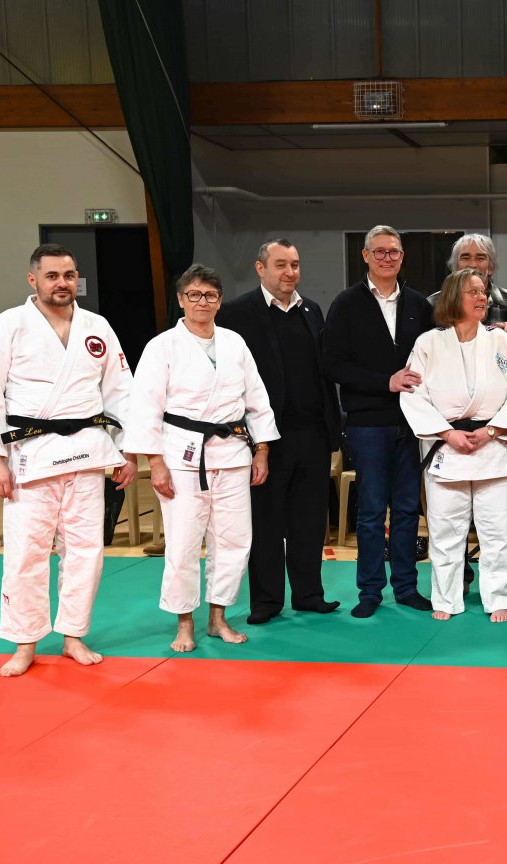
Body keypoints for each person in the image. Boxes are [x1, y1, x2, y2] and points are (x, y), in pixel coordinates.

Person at [0, 243, 137, 677]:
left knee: (86, 552)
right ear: (33, 280)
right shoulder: (7, 326)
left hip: (88, 453)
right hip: (31, 456)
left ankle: (73, 635)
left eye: (69, 275)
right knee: (26, 554)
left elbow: (121, 391)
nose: (62, 283)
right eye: (53, 276)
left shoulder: (97, 327)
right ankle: (26, 642)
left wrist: (127, 449)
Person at [125, 265, 279, 652]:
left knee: (234, 541)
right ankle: (184, 622)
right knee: (182, 544)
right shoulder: (162, 347)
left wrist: (262, 449)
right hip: (181, 456)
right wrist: (155, 463)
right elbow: (145, 408)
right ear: (181, 299)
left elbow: (257, 399)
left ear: (220, 301)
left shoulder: (234, 343)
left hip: (232, 453)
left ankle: (218, 617)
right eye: (193, 294)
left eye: (210, 295)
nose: (202, 302)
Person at [216, 239, 342, 625]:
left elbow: (323, 374)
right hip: (264, 439)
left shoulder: (312, 310)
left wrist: (332, 430)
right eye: (281, 265)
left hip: (313, 433)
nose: (290, 272)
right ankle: (266, 601)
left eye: (295, 265)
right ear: (260, 268)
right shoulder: (236, 313)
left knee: (310, 519)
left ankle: (309, 594)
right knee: (266, 520)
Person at [401, 268, 507, 622]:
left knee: (500, 529)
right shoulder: (428, 344)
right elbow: (412, 393)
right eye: (473, 291)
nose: (482, 297)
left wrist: (493, 430)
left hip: (494, 444)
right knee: (445, 530)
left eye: (484, 291)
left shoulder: (503, 341)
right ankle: (446, 598)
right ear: (453, 297)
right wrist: (447, 434)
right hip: (447, 446)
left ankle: (501, 596)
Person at [322, 225, 435, 618]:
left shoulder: (419, 304)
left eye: (394, 252)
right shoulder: (346, 304)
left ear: (403, 257)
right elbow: (332, 364)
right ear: (366, 256)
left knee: (407, 510)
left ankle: (406, 587)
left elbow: (439, 352)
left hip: (413, 422)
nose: (388, 258)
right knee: (370, 511)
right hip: (367, 422)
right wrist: (384, 382)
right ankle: (370, 591)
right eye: (380, 251)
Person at [427, 234, 507, 341]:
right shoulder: (432, 304)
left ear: (491, 267)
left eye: (480, 258)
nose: (473, 264)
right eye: (465, 257)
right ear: (455, 267)